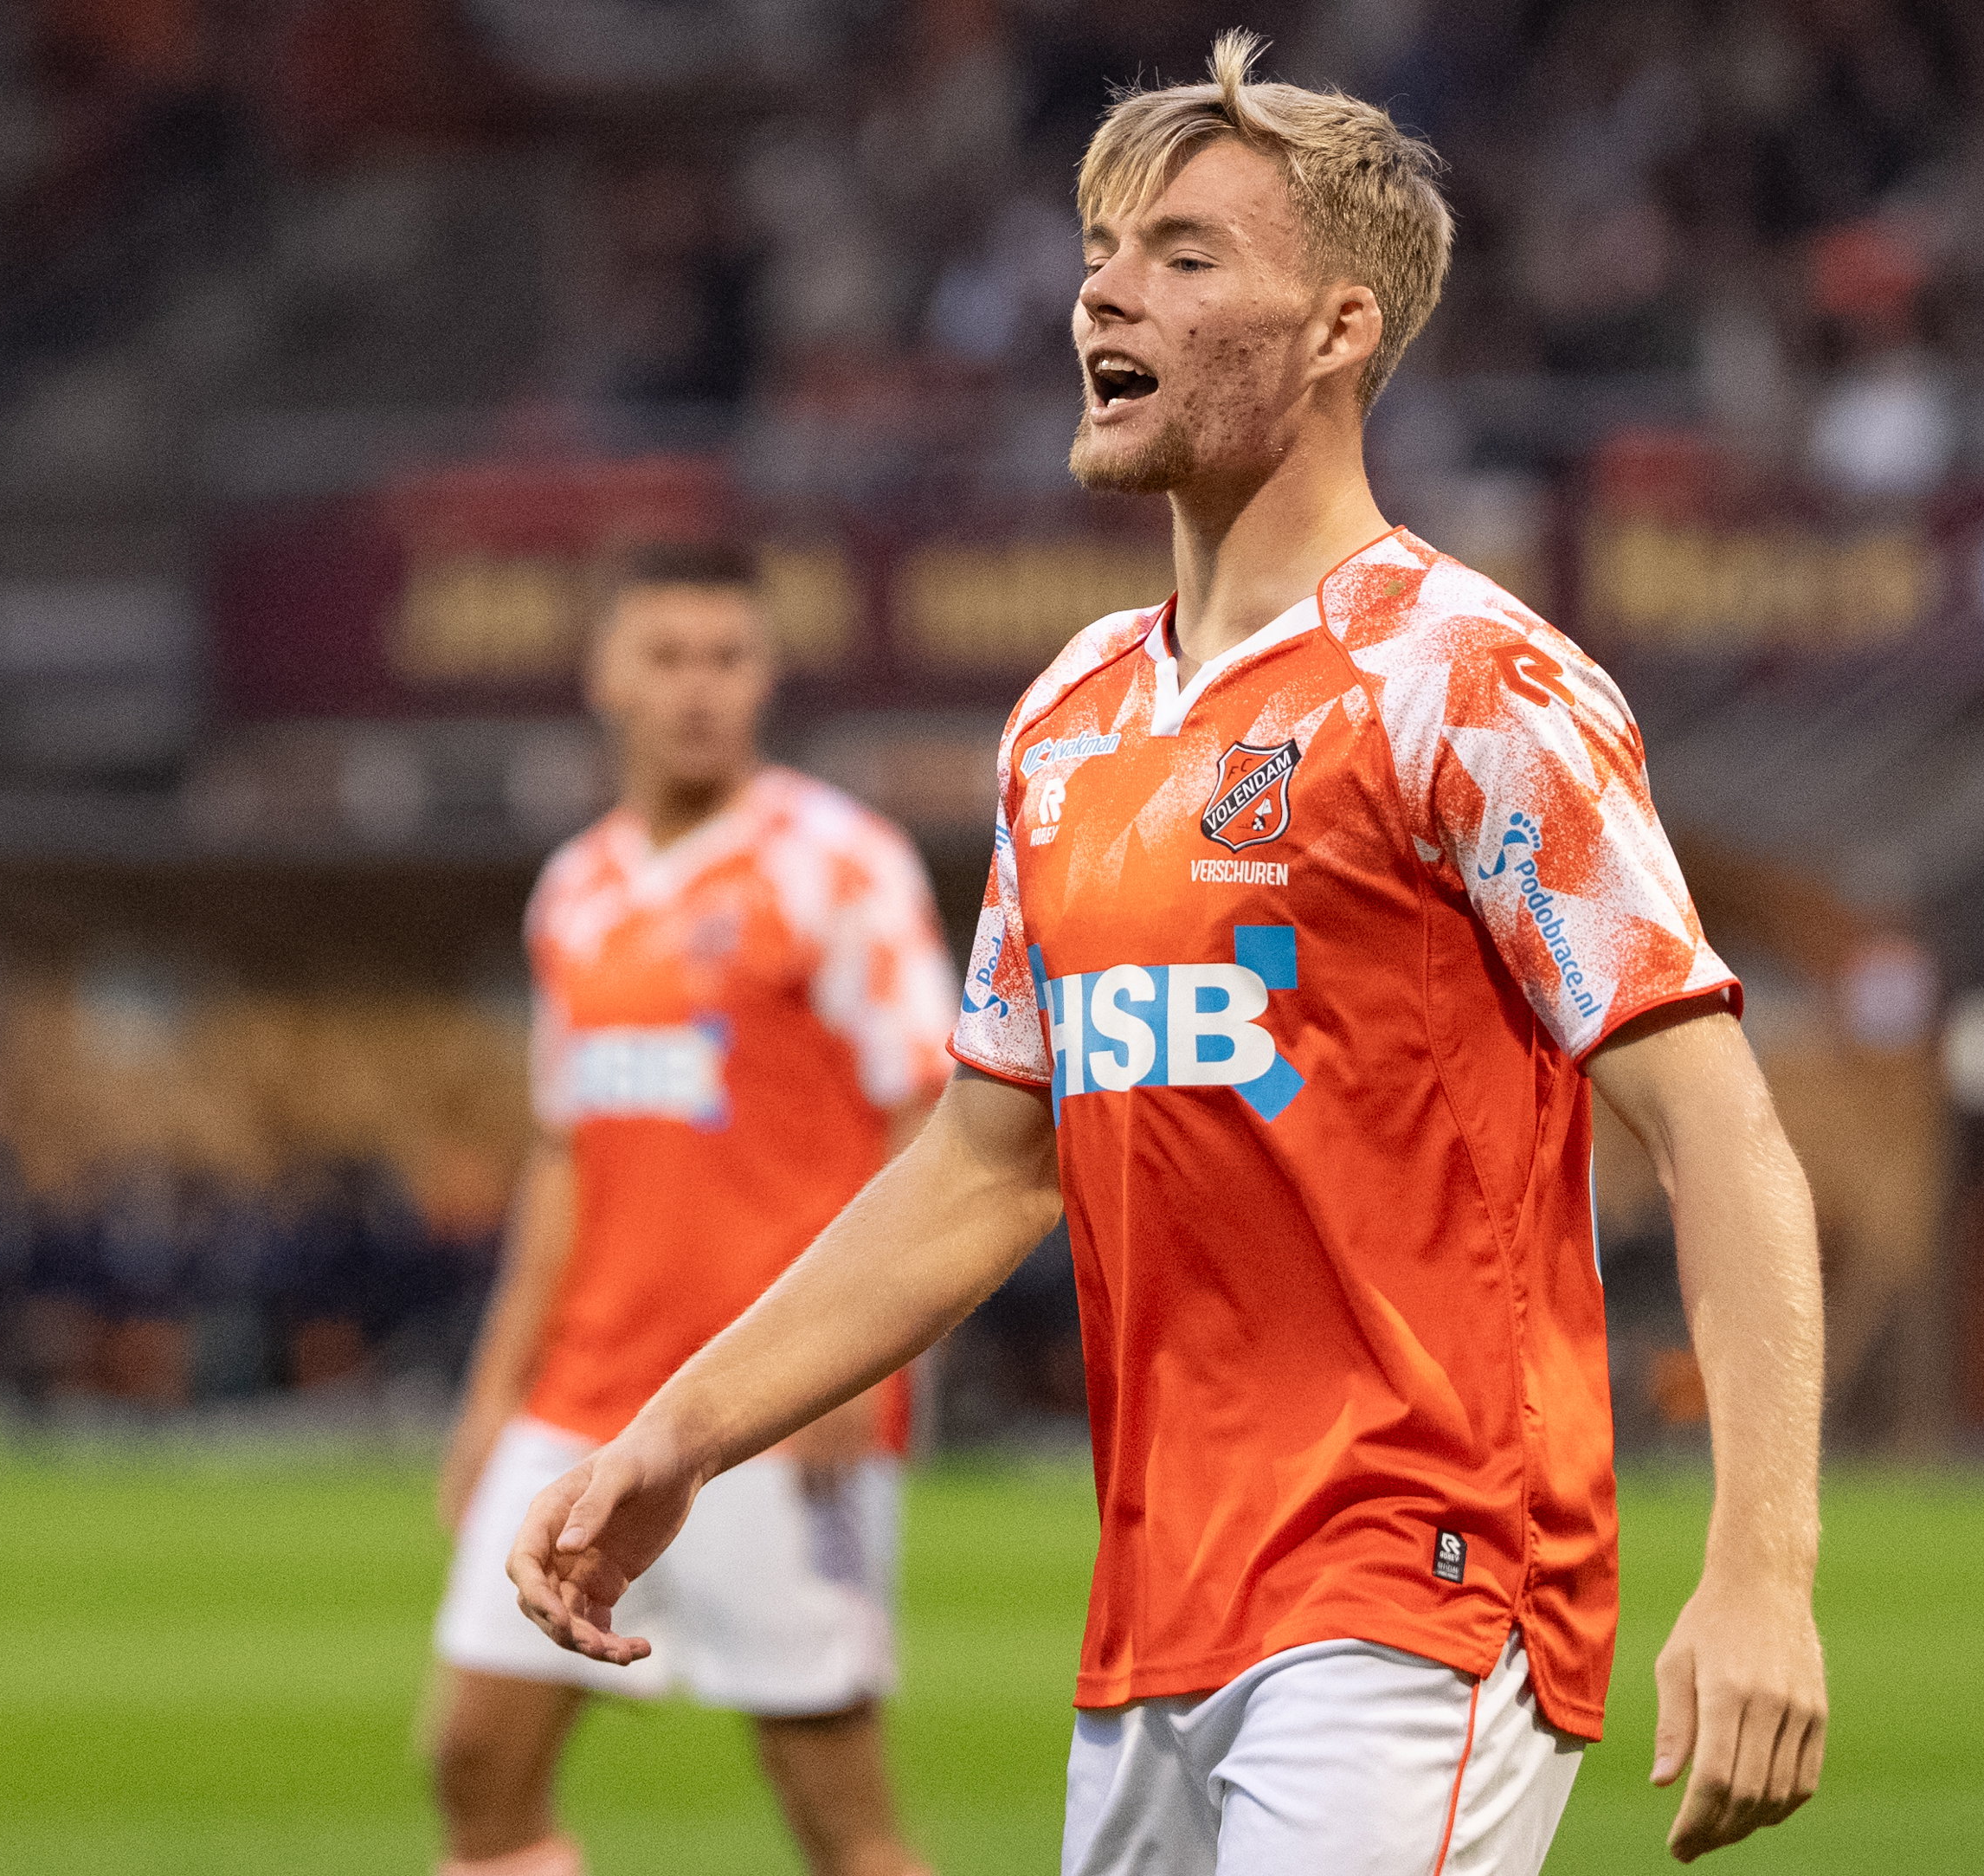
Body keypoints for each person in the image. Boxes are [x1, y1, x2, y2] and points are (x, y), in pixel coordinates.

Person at [512, 37, 1827, 1873]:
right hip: (1154, 1610)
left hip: (1419, 1573)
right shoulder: (1065, 720)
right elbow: (987, 1157)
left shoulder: (1467, 683)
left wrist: (1759, 1571)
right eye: (1098, 254)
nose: (1102, 291)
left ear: (1339, 326)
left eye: (1184, 254)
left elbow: (1717, 1131)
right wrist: (683, 1431)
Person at [428, 541, 955, 1876]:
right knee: (473, 1758)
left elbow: (934, 1122)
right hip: (584, 1395)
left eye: (726, 656)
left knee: (834, 1802)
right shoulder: (576, 891)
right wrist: (494, 1396)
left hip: (771, 1402)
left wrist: (867, 1362)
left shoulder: (839, 865)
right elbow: (565, 1157)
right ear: (606, 672)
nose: (698, 688)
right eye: (666, 655)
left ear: (766, 675)